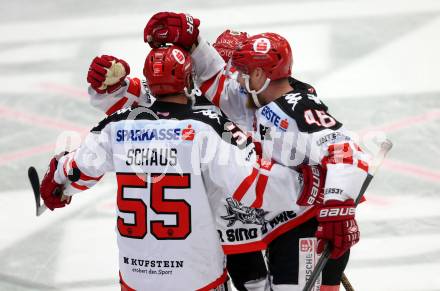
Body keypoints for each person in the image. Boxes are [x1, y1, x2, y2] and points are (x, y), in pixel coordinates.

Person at [41, 44, 325, 291]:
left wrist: (57, 181)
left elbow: (76, 169)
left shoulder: (116, 125)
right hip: (195, 275)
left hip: (136, 277)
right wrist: (308, 183)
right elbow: (255, 185)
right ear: (191, 79)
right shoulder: (206, 128)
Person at [143, 12, 370, 290]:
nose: (236, 79)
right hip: (283, 225)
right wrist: (194, 44)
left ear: (261, 74)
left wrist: (339, 209)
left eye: (242, 72)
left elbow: (345, 150)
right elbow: (219, 85)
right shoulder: (262, 97)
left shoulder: (294, 106)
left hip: (306, 226)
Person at [86, 29, 269, 291]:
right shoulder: (182, 89)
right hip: (194, 219)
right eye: (229, 67)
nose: (235, 78)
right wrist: (110, 84)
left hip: (237, 213)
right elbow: (132, 105)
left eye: (239, 69)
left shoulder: (256, 98)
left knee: (254, 280)